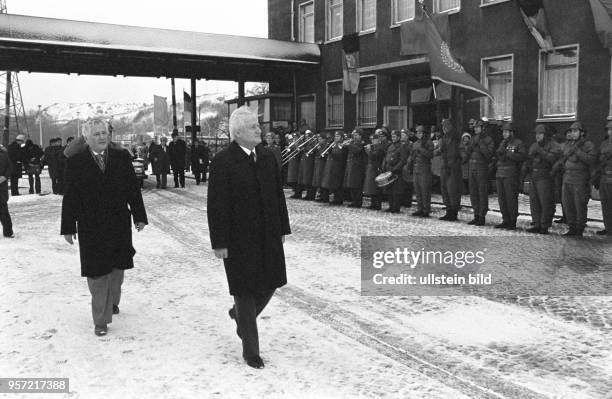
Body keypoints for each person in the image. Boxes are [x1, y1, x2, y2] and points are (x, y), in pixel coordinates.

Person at [207, 106, 290, 370]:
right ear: (239, 132)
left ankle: (241, 317)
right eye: (254, 126)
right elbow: (216, 205)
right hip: (237, 238)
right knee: (244, 290)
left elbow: (278, 196)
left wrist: (282, 228)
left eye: (258, 125)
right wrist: (219, 242)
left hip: (268, 234)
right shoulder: (222, 161)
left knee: (272, 281)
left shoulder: (267, 157)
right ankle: (251, 351)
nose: (259, 130)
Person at [60, 118, 148, 336]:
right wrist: (68, 226)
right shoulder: (76, 162)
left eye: (104, 133)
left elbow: (132, 190)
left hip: (118, 223)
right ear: (86, 138)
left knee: (117, 270)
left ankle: (112, 302)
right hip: (91, 225)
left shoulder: (121, 158)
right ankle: (101, 319)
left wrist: (139, 216)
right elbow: (70, 197)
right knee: (97, 273)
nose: (102, 137)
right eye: (97, 134)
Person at [555, 121, 597, 236]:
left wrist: (578, 151)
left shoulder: (588, 145)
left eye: (575, 131)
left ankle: (579, 229)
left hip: (580, 179)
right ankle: (572, 227)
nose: (573, 133)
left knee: (579, 205)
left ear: (582, 133)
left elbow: (591, 159)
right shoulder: (569, 144)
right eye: (571, 131)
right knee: (568, 204)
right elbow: (562, 157)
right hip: (567, 178)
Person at [522, 124, 562, 234]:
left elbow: (553, 158)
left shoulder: (554, 145)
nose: (537, 136)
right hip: (534, 175)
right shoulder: (534, 145)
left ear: (546, 134)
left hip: (545, 176)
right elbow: (528, 160)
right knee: (534, 201)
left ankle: (544, 225)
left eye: (540, 134)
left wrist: (540, 151)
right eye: (536, 134)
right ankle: (536, 223)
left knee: (545, 202)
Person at [494, 122, 527, 230]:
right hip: (500, 174)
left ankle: (512, 221)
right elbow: (498, 155)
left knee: (511, 199)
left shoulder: (518, 143)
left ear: (511, 133)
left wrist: (509, 154)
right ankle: (505, 219)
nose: (504, 134)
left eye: (506, 132)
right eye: (503, 132)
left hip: (511, 174)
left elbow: (522, 156)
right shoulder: (502, 143)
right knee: (502, 199)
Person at [465, 120, 495, 226]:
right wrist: (470, 146)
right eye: (475, 127)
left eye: (478, 127)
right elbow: (468, 153)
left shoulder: (488, 140)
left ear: (483, 128)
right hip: (472, 168)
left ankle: (482, 216)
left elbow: (489, 155)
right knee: (473, 193)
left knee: (482, 193)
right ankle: (476, 215)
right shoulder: (473, 138)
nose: (476, 129)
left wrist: (481, 144)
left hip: (482, 169)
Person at [436, 119, 462, 221]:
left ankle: (453, 212)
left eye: (446, 126)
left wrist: (455, 164)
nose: (444, 128)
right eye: (443, 126)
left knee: (453, 191)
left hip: (453, 167)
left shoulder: (455, 137)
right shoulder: (444, 137)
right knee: (445, 190)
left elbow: (459, 153)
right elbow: (440, 150)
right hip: (444, 166)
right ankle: (449, 211)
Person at [410, 125, 434, 217]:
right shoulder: (415, 143)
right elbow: (412, 156)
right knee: (417, 190)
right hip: (416, 168)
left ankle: (426, 209)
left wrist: (421, 149)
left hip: (424, 169)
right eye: (417, 132)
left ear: (424, 133)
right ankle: (420, 208)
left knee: (425, 190)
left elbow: (430, 155)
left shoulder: (428, 142)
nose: (418, 134)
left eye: (420, 132)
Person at [382, 130, 407, 213]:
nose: (393, 138)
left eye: (395, 137)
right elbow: (386, 157)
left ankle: (396, 207)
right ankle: (391, 206)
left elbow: (403, 160)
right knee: (389, 189)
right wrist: (384, 166)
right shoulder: (390, 146)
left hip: (396, 171)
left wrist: (396, 168)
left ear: (399, 137)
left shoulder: (401, 146)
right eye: (392, 137)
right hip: (389, 170)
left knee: (396, 190)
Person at [321, 131, 348, 205]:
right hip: (333, 166)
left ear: (342, 137)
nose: (336, 138)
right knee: (334, 183)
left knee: (338, 184)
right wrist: (329, 148)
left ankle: (339, 199)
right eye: (335, 136)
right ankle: (335, 198)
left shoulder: (344, 145)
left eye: (338, 136)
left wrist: (333, 150)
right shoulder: (334, 144)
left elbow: (340, 154)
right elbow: (329, 153)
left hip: (340, 166)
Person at [363, 130, 387, 210]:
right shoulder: (374, 147)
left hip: (376, 169)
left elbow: (374, 157)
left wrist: (369, 150)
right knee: (371, 187)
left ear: (378, 140)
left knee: (376, 188)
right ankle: (373, 203)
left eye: (374, 139)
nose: (372, 141)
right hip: (371, 168)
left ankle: (377, 204)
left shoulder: (380, 147)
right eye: (372, 140)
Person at [344, 129, 367, 208]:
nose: (354, 136)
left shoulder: (361, 143)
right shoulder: (353, 143)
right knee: (351, 184)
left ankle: (358, 202)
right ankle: (353, 200)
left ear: (360, 136)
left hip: (358, 166)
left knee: (357, 185)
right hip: (351, 165)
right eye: (354, 135)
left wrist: (349, 145)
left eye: (356, 135)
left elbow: (357, 151)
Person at [597, 120, 612, 235]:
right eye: (608, 129)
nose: (610, 131)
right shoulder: (604, 143)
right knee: (605, 204)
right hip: (604, 178)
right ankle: (608, 228)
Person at [0, 143, 14, 237]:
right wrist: (5, 176)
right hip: (2, 184)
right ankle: (8, 232)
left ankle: (8, 231)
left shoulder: (4, 155)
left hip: (2, 185)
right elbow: (10, 167)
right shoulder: (4, 154)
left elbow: (10, 167)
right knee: (3, 208)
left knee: (3, 209)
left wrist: (5, 176)